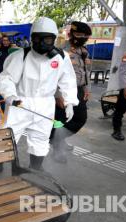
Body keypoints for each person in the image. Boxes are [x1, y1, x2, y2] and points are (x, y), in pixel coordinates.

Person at [0, 17, 78, 178]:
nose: (41, 43)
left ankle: (36, 167)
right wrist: (10, 95)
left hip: (46, 104)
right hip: (21, 102)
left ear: (54, 38)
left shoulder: (61, 57)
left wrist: (69, 102)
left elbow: (68, 80)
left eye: (46, 39)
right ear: (32, 38)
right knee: (6, 134)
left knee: (41, 136)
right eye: (37, 39)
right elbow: (6, 78)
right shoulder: (21, 56)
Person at [50, 21, 92, 162]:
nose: (82, 38)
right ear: (71, 34)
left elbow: (85, 71)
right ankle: (57, 149)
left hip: (79, 90)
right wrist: (57, 95)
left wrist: (86, 88)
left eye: (85, 35)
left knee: (80, 118)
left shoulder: (83, 51)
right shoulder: (60, 50)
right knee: (60, 120)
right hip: (63, 92)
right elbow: (52, 75)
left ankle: (57, 138)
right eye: (79, 34)